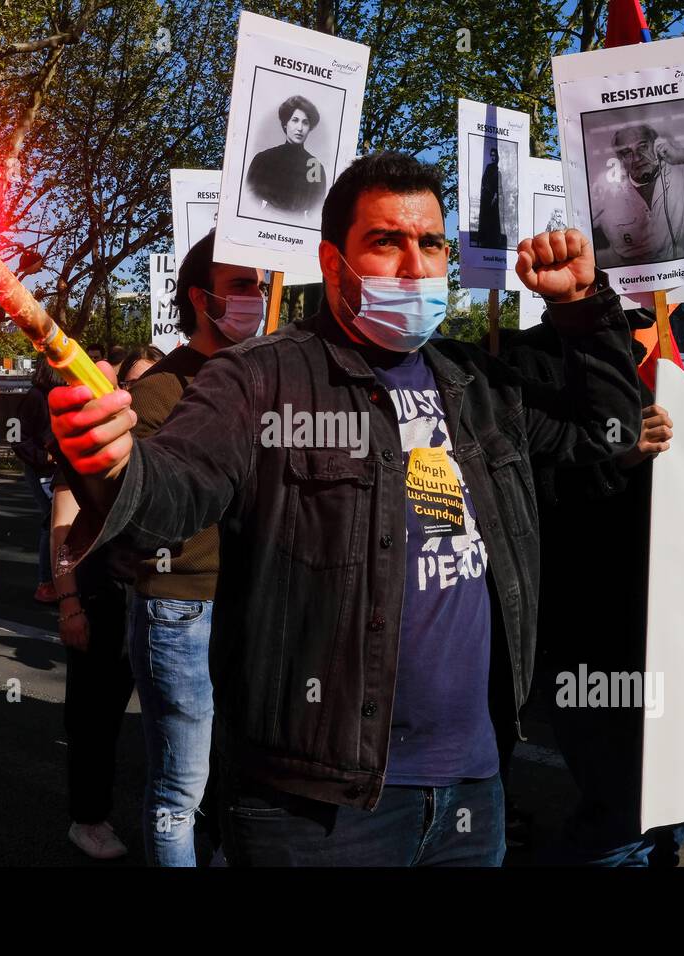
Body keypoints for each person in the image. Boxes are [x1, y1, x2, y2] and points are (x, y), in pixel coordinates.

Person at [49, 152, 642, 866]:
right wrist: (114, 468)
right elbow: (171, 496)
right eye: (386, 241)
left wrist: (583, 309)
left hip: (475, 784)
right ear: (334, 264)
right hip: (317, 804)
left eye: (431, 244)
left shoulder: (481, 384)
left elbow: (605, 441)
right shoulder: (261, 376)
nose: (415, 265)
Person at [501, 312, 684, 866]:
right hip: (584, 620)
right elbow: (523, 488)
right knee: (620, 808)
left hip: (671, 620)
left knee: (672, 797)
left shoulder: (668, 364)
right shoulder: (523, 360)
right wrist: (619, 460)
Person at [119, 230, 263, 866]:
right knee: (182, 789)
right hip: (183, 610)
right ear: (201, 299)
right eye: (242, 287)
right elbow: (143, 517)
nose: (257, 298)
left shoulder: (271, 380)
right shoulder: (160, 391)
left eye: (262, 284)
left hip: (254, 603)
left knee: (242, 775)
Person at [49, 351, 161, 861]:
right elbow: (62, 528)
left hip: (169, 601)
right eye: (134, 383)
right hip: (104, 599)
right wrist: (70, 604)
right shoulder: (90, 447)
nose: (141, 393)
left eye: (153, 383)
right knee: (95, 719)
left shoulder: (176, 442)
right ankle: (89, 818)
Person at [591, 123, 684, 268]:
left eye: (642, 147)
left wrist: (680, 154)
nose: (636, 158)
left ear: (656, 145)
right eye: (626, 153)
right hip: (636, 281)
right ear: (620, 159)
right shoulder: (606, 190)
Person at [14, 362, 62, 603]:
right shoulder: (35, 397)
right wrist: (44, 457)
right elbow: (15, 435)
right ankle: (47, 582)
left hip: (65, 470)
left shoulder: (69, 393)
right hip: (43, 471)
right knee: (52, 523)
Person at [245, 94, 328, 217]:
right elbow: (248, 198)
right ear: (285, 124)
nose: (300, 128)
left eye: (305, 123)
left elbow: (317, 208)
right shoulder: (263, 159)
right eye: (295, 120)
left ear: (309, 128)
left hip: (297, 228)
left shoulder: (315, 167)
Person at [476, 146, 507, 248]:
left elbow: (500, 185)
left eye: (495, 155)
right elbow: (484, 181)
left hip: (496, 198)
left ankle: (494, 240)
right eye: (492, 156)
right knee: (487, 219)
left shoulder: (500, 170)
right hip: (487, 197)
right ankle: (484, 240)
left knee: (495, 220)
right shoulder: (489, 167)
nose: (493, 157)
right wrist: (491, 194)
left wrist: (497, 195)